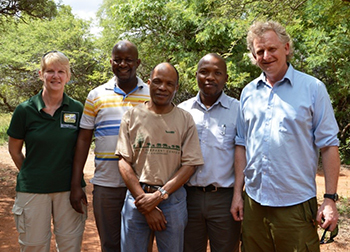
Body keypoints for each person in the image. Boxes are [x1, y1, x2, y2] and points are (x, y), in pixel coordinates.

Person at [231, 20, 340, 252]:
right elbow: (241, 145)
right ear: (253, 55)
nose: (266, 56)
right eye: (259, 51)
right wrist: (237, 195)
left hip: (295, 205)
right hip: (254, 202)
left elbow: (329, 145)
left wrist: (330, 199)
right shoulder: (248, 93)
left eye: (272, 49)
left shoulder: (313, 88)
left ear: (287, 48)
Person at [69, 41, 150, 252]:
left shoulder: (151, 95)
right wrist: (76, 183)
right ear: (111, 62)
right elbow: (84, 140)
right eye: (118, 60)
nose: (123, 64)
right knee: (110, 245)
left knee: (141, 245)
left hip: (143, 185)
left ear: (138, 62)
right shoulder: (96, 96)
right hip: (106, 185)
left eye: (129, 60)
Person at [115, 62, 204, 252]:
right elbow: (123, 161)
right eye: (157, 82)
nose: (163, 87)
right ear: (148, 83)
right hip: (136, 199)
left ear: (176, 87)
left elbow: (190, 165)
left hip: (172, 201)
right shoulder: (131, 116)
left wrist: (158, 196)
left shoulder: (185, 119)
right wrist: (144, 201)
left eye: (169, 83)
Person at [7, 51, 85, 251]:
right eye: (50, 71)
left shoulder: (77, 109)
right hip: (32, 190)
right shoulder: (25, 110)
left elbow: (82, 147)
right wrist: (33, 172)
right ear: (41, 74)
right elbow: (15, 150)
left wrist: (76, 184)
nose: (55, 76)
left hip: (69, 190)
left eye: (61, 71)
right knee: (33, 246)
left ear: (68, 76)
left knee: (70, 246)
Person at [178, 53, 241, 252]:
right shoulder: (182, 111)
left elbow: (243, 156)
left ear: (226, 78)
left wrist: (238, 196)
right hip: (188, 197)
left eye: (217, 73)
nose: (210, 77)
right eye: (204, 72)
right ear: (196, 75)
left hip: (224, 199)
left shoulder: (239, 110)